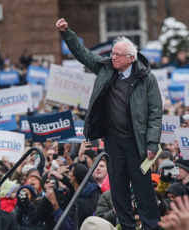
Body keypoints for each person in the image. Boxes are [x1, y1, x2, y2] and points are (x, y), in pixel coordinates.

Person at [56, 18, 162, 230]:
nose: (112, 57)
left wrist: (152, 144)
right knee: (119, 190)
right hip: (113, 141)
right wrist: (67, 33)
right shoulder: (106, 69)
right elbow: (83, 55)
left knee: (143, 190)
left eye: (117, 54)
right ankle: (127, 226)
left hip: (137, 143)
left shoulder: (146, 78)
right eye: (112, 53)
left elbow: (155, 113)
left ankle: (151, 227)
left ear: (130, 58)